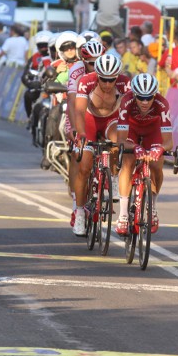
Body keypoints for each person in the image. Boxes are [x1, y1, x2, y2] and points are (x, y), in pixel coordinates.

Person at [72, 54, 131, 235]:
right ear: (97, 75)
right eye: (103, 79)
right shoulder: (86, 81)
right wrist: (81, 134)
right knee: (84, 167)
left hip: (111, 120)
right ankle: (80, 212)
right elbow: (80, 111)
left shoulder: (124, 84)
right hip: (89, 120)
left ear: (117, 77)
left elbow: (129, 113)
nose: (107, 84)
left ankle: (112, 175)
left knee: (117, 142)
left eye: (111, 79)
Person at [115, 73, 173, 236]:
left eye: (149, 98)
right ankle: (123, 215)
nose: (145, 102)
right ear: (134, 95)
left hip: (152, 131)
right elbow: (120, 140)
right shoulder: (126, 101)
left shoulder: (162, 104)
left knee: (156, 164)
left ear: (155, 95)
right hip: (131, 131)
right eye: (141, 98)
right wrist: (134, 147)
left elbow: (168, 141)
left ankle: (152, 207)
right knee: (127, 163)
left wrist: (160, 149)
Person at [67, 38, 105, 229]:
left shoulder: (107, 69)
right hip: (79, 113)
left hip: (101, 117)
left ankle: (106, 179)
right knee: (78, 156)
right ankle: (77, 206)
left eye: (99, 61)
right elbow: (74, 105)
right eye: (92, 63)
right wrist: (75, 130)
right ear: (84, 61)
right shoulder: (77, 71)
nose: (96, 66)